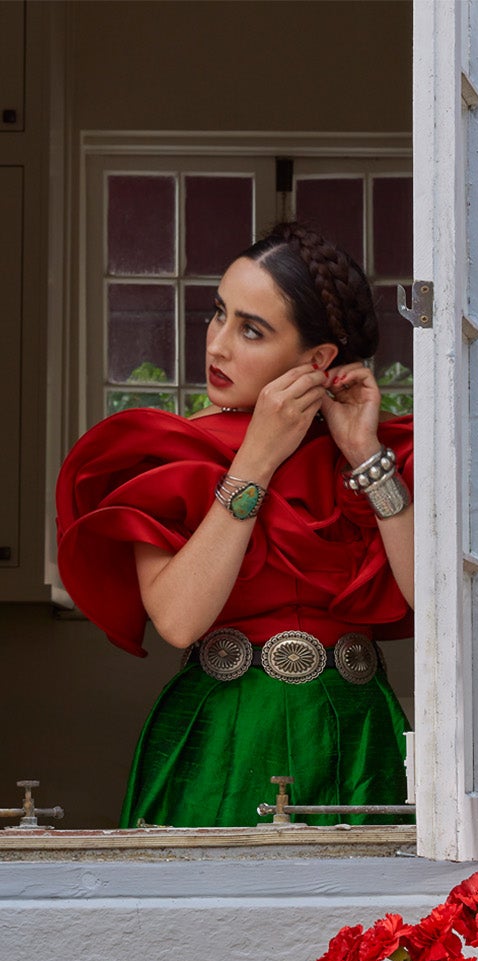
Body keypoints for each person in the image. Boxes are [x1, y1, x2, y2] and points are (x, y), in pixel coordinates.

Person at [56, 219, 413, 829]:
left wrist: (363, 457)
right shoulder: (170, 452)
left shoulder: (383, 458)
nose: (217, 345)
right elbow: (178, 619)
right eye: (218, 314)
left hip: (358, 736)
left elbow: (436, 607)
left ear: (318, 359)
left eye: (250, 330)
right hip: (222, 733)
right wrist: (256, 459)